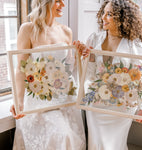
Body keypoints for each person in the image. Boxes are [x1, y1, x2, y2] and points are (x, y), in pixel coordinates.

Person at [73, 0, 142, 150]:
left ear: (122, 18)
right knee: (96, 143)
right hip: (95, 103)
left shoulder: (133, 44)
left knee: (115, 145)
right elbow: (89, 76)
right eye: (103, 13)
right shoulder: (94, 38)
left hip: (122, 106)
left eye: (109, 14)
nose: (103, 18)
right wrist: (88, 57)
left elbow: (141, 77)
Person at [10, 0, 86, 149]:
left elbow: (68, 68)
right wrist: (18, 102)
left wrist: (80, 54)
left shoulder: (66, 31)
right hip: (39, 100)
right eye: (58, 1)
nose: (63, 5)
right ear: (44, 3)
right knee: (63, 137)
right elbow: (21, 69)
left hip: (65, 99)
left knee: (71, 139)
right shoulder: (28, 29)